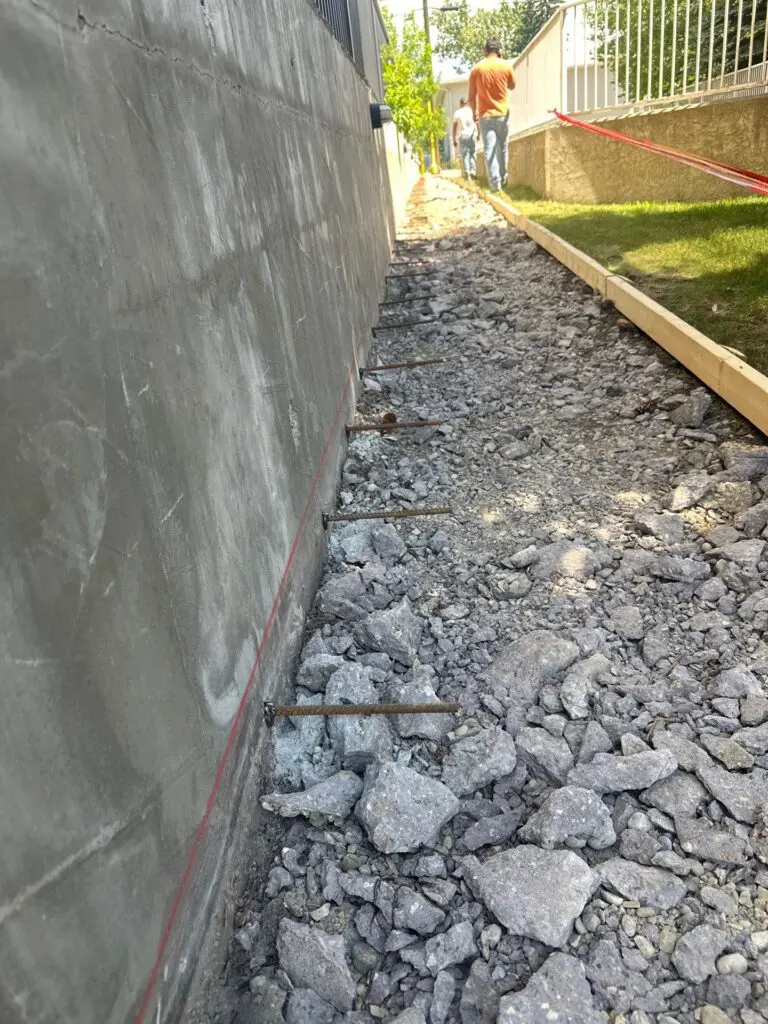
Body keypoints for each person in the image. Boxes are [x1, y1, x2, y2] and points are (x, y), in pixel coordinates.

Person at [468, 38, 516, 192]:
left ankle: (495, 185)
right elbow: (512, 85)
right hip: (502, 113)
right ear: (499, 51)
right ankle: (503, 177)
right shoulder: (506, 66)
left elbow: (471, 95)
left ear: (485, 51)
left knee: (490, 149)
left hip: (485, 115)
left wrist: (475, 113)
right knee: (502, 147)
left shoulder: (477, 69)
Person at [452, 97, 477, 179]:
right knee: (473, 153)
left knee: (465, 155)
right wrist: (479, 133)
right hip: (472, 135)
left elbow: (454, 127)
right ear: (466, 103)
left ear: (460, 104)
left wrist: (454, 139)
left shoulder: (457, 113)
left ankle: (467, 171)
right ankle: (473, 170)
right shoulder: (471, 110)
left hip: (462, 136)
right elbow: (476, 121)